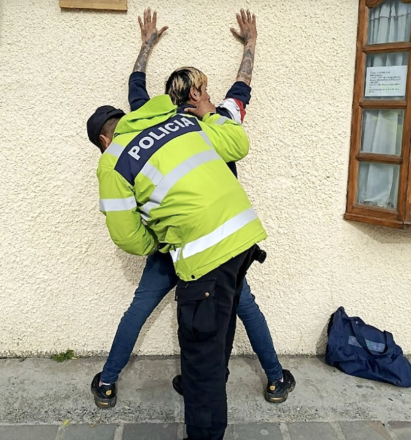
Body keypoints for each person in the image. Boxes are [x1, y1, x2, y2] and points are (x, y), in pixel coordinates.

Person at [85, 10, 287, 438]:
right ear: (199, 92)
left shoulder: (153, 120)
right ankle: (274, 376)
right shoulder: (193, 119)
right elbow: (242, 88)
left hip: (185, 247)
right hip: (228, 242)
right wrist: (250, 45)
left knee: (151, 312)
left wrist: (145, 47)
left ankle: (107, 380)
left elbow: (135, 90)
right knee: (240, 310)